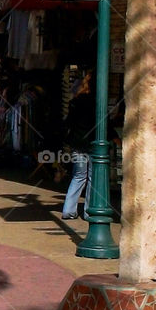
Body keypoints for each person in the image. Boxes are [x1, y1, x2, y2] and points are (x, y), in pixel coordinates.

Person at [61, 70, 95, 221]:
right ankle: (89, 211)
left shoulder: (75, 102)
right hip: (93, 143)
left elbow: (68, 123)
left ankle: (68, 210)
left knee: (78, 176)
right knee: (93, 178)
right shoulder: (96, 102)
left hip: (77, 142)